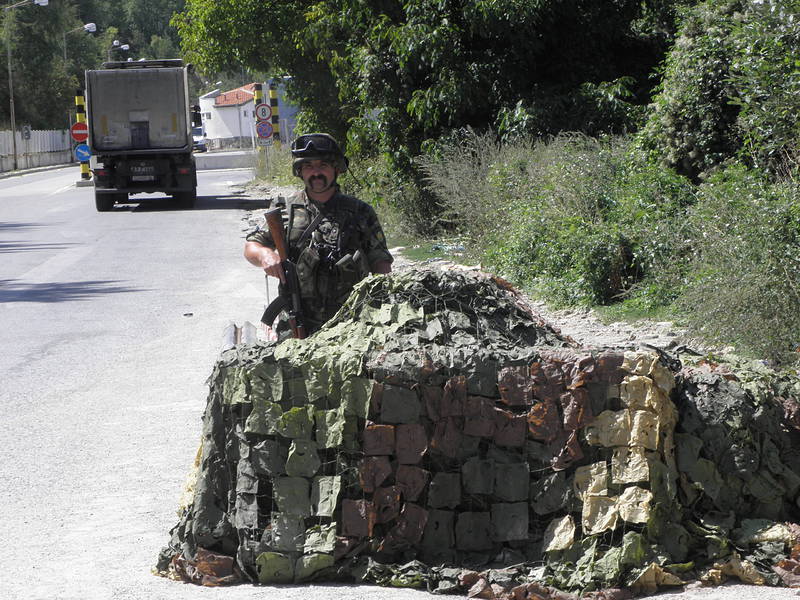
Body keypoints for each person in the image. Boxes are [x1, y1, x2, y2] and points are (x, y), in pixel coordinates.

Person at [244, 132, 393, 338]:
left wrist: (382, 309)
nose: (316, 172)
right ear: (300, 171)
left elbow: (381, 263)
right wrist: (265, 255)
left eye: (322, 166)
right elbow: (252, 246)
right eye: (308, 167)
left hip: (351, 322)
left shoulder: (360, 212)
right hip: (297, 322)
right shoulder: (284, 211)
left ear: (336, 169)